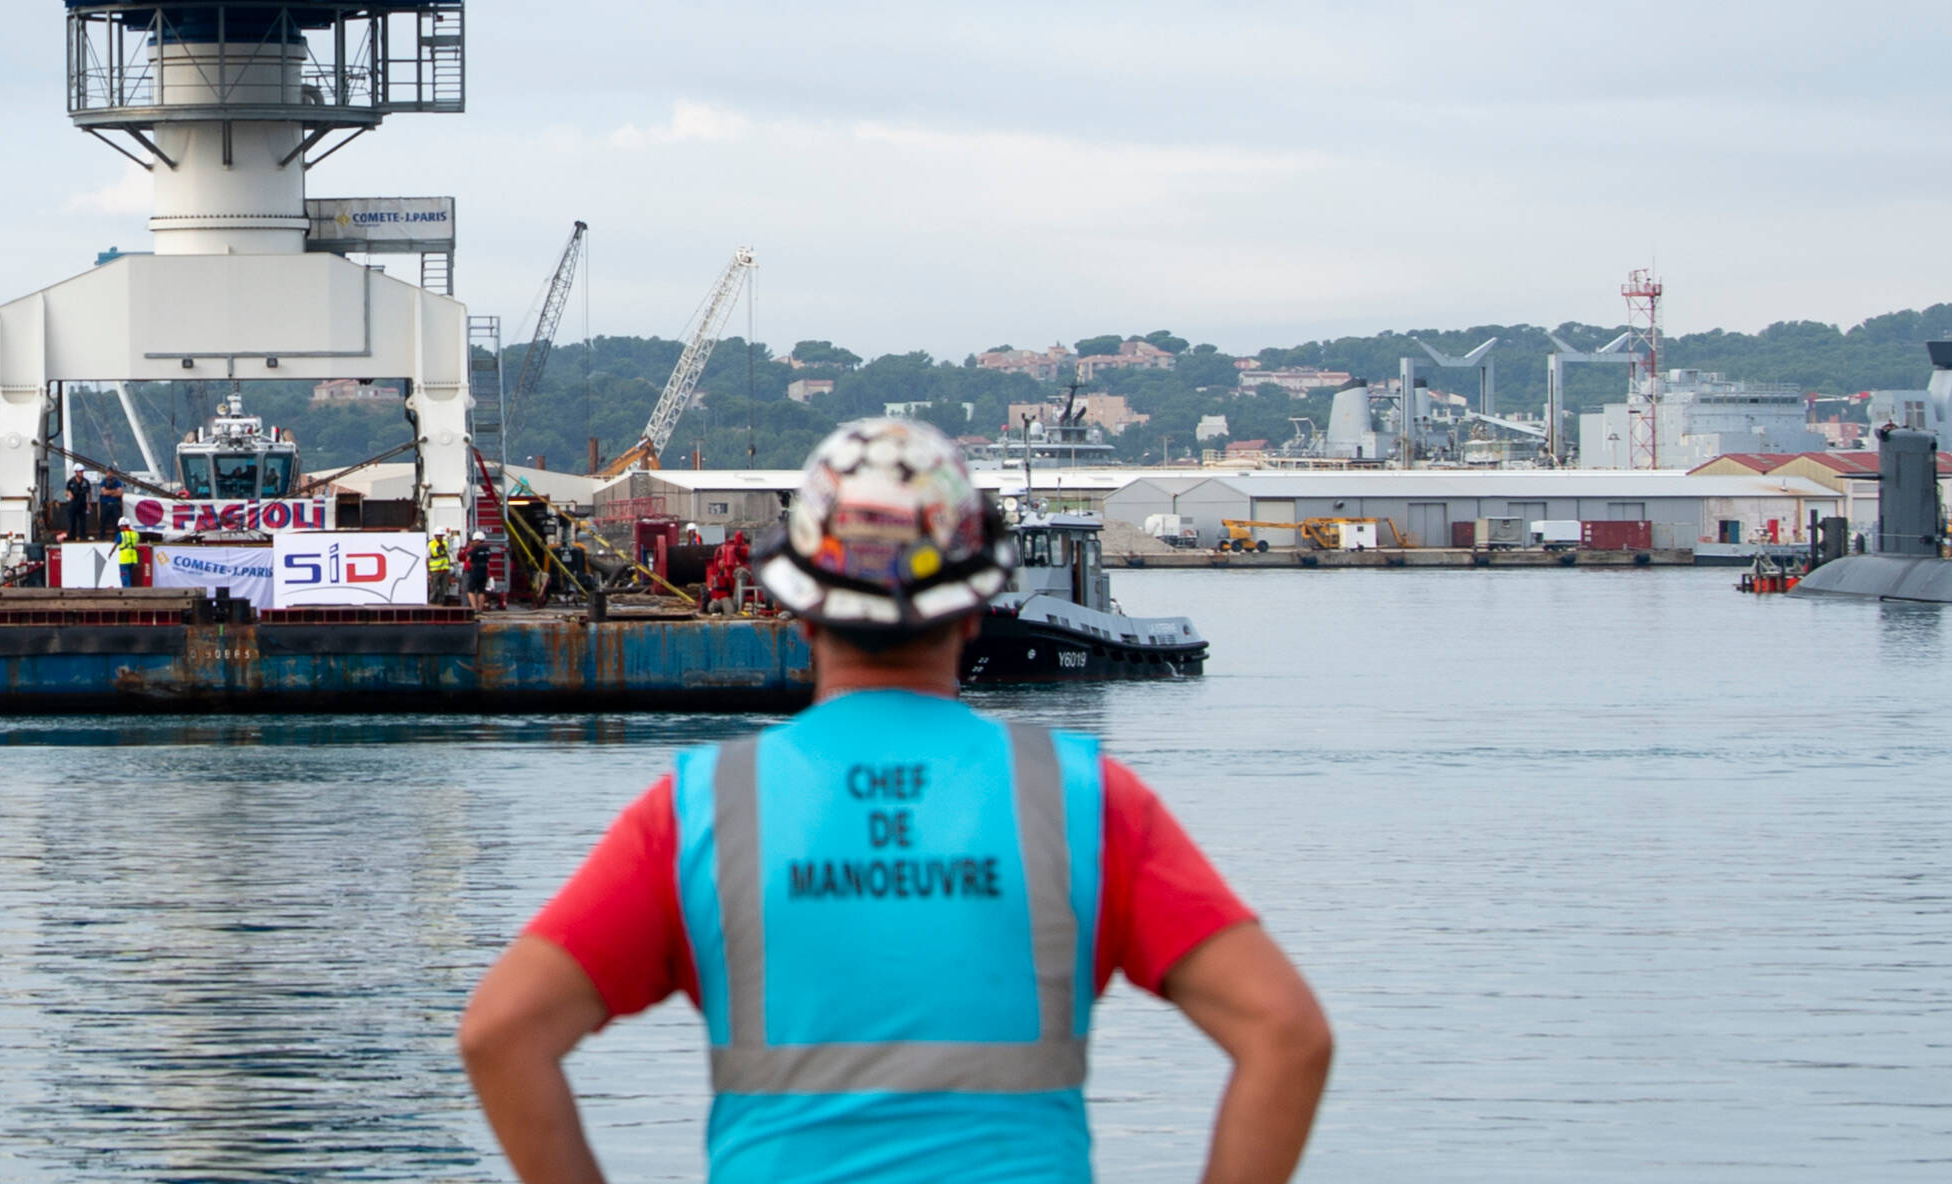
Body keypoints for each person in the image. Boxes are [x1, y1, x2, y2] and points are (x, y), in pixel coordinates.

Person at [458, 417, 1329, 1184]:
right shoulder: (1080, 802)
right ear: (979, 603)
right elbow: (1287, 1035)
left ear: (796, 609)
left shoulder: (704, 812)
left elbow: (501, 1035)